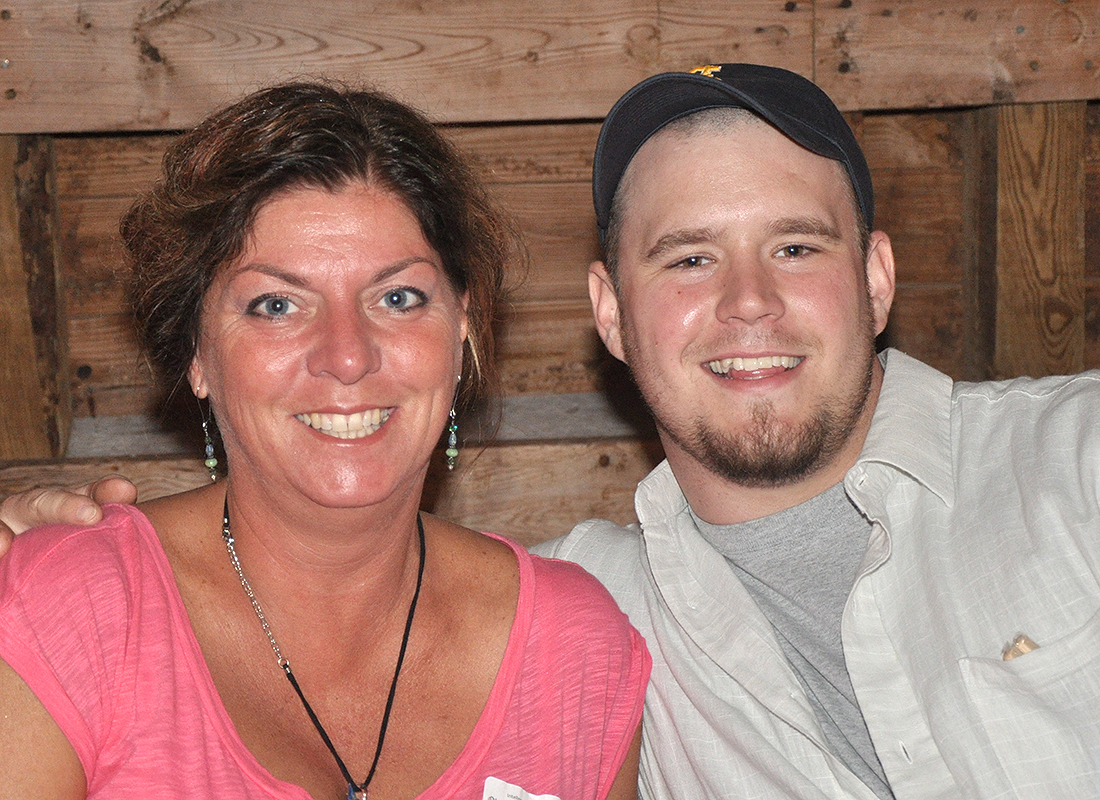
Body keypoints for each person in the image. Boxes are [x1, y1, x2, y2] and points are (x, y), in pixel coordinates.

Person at [6, 63, 1100, 800]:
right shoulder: (602, 616)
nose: (747, 303)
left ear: (874, 277)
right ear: (609, 313)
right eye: (685, 256)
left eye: (796, 248)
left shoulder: (1075, 459)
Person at [0, 81, 648, 799]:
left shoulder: (575, 650)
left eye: (398, 298)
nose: (347, 355)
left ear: (460, 326)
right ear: (196, 354)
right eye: (276, 305)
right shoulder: (76, 607)